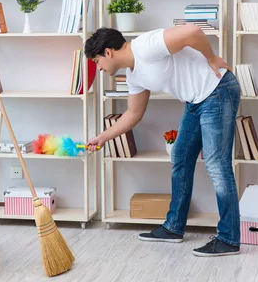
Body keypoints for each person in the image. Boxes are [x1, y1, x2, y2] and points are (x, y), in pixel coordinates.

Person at [84, 24, 241, 257]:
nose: (98, 69)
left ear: (108, 52)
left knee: (217, 165)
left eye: (97, 62)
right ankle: (173, 227)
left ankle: (229, 239)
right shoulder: (133, 75)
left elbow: (192, 32)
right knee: (180, 155)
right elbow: (133, 114)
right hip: (196, 102)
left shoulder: (145, 46)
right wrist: (102, 138)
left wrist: (212, 58)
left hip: (217, 90)